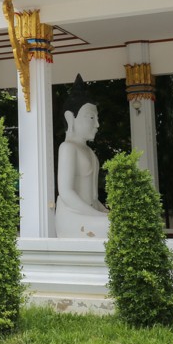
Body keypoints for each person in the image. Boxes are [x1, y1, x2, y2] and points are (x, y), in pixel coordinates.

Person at [55, 74, 109, 238]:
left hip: (88, 215)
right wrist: (98, 215)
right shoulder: (67, 148)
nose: (97, 125)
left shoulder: (89, 152)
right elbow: (66, 193)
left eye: (97, 118)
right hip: (74, 218)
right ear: (70, 118)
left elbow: (92, 196)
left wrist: (104, 211)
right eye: (92, 118)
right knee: (119, 229)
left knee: (124, 224)